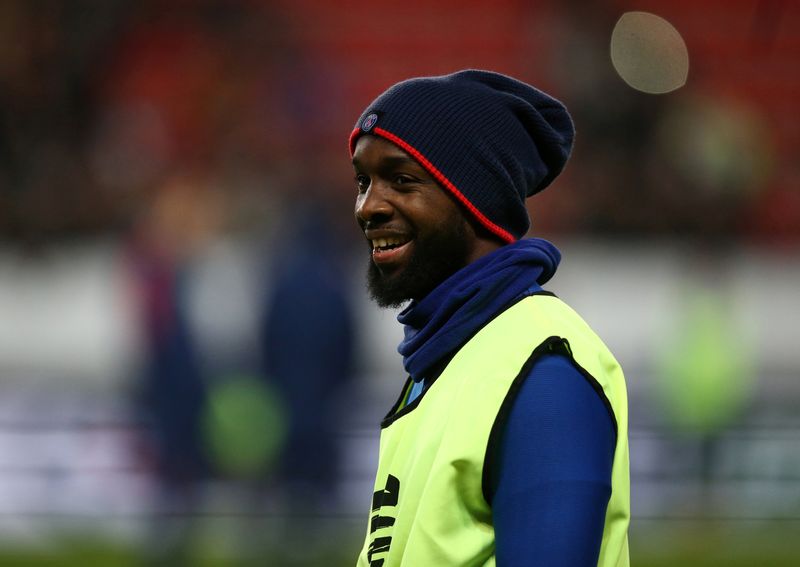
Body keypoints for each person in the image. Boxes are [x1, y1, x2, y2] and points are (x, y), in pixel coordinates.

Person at [349, 70, 630, 566]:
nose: (368, 207)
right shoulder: (447, 357)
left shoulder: (542, 370)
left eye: (401, 179)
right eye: (363, 181)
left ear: (474, 197)